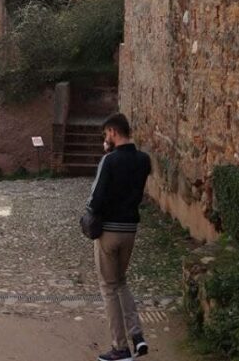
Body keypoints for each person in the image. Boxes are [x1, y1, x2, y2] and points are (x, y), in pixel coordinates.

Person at [87, 113, 152, 361]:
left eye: (106, 134)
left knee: (108, 287)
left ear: (113, 132)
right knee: (121, 281)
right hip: (129, 230)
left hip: (109, 232)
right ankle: (137, 336)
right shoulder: (144, 160)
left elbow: (96, 197)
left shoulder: (110, 161)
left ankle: (120, 347)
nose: (106, 139)